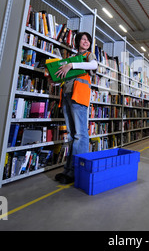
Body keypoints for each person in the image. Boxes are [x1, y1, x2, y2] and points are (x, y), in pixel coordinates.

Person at [54, 31, 98, 184]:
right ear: (77, 41)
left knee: (80, 135)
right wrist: (53, 77)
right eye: (83, 39)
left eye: (88, 40)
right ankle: (68, 170)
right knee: (72, 135)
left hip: (79, 96)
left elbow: (94, 65)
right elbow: (61, 76)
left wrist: (72, 65)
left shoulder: (88, 55)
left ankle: (77, 170)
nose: (86, 41)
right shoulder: (70, 58)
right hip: (67, 96)